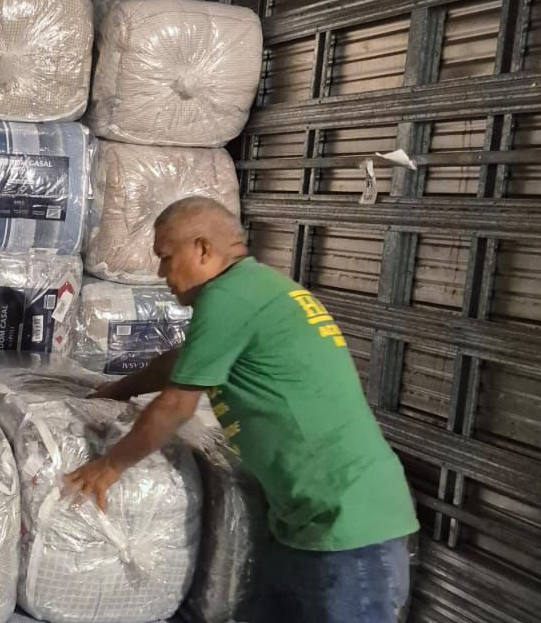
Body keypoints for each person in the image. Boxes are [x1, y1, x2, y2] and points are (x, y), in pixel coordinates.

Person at [64, 196, 419, 623]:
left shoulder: (229, 296)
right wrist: (115, 391)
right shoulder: (256, 289)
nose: (161, 273)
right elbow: (179, 364)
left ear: (202, 249)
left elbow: (176, 406)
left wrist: (109, 466)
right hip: (306, 523)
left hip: (348, 528)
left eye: (166, 257)